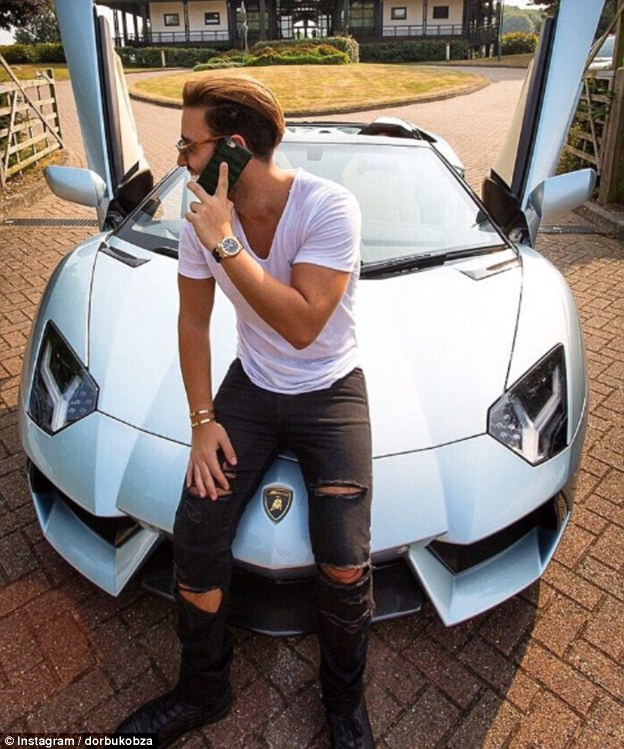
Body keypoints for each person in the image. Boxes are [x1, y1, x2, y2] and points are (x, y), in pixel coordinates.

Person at [115, 75, 374, 749]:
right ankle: (202, 690)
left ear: (232, 146)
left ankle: (344, 705)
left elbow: (303, 326)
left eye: (189, 144)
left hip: (331, 388)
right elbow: (193, 321)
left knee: (345, 560)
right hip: (252, 386)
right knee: (197, 534)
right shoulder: (201, 217)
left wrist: (227, 241)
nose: (179, 159)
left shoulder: (329, 207)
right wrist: (202, 422)